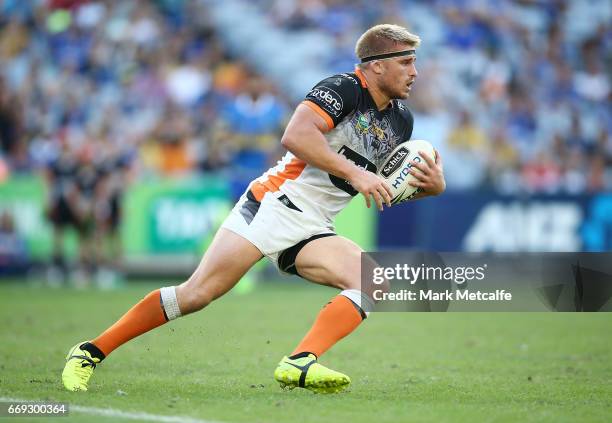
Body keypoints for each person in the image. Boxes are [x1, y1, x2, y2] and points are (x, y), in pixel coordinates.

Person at [61, 24, 446, 394]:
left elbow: (379, 183)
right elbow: (295, 136)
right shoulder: (343, 88)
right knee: (196, 294)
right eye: (406, 62)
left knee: (373, 282)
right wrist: (357, 175)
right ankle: (89, 352)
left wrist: (427, 189)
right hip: (274, 203)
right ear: (377, 64)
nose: (415, 72)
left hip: (315, 225)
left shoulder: (400, 121)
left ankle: (299, 361)